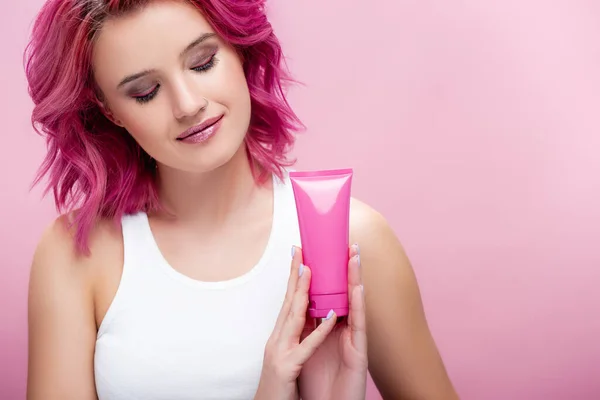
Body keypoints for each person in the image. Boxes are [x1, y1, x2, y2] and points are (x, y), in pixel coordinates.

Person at [24, 0, 458, 399]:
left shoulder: (352, 240)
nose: (188, 104)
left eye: (203, 62)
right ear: (108, 110)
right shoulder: (76, 253)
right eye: (145, 92)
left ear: (239, 48)